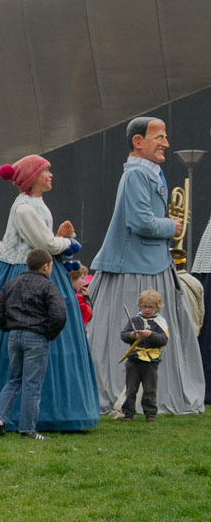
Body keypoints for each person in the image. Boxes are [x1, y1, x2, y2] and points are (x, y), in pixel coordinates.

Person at [88, 117, 205, 416]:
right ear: (138, 141)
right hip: (136, 266)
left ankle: (147, 396)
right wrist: (172, 225)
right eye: (159, 137)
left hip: (152, 262)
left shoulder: (148, 174)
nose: (165, 143)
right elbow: (140, 222)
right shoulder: (137, 175)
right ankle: (134, 396)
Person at [0, 250, 67, 440]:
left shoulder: (12, 283)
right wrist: (48, 333)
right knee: (32, 384)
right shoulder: (48, 286)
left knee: (14, 379)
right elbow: (59, 314)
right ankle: (28, 430)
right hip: (36, 336)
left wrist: (9, 327)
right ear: (46, 266)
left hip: (14, 336)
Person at [117, 289, 171, 422]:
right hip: (134, 359)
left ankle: (150, 414)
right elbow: (124, 335)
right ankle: (128, 414)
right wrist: (133, 335)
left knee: (149, 389)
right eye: (144, 306)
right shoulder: (135, 320)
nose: (147, 310)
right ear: (139, 306)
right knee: (131, 388)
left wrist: (151, 335)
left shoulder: (159, 322)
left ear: (157, 307)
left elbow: (164, 339)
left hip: (151, 360)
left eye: (151, 307)